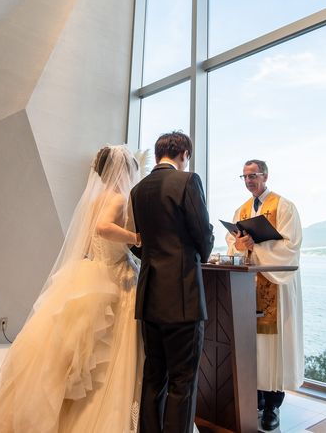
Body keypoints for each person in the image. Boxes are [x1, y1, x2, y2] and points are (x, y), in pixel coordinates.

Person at [0, 145, 143, 433]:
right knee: (107, 355)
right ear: (123, 171)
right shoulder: (117, 198)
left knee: (77, 355)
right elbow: (103, 228)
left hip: (93, 270)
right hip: (114, 277)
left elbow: (88, 240)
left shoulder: (95, 199)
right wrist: (135, 238)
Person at [128, 131, 214, 433]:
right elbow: (202, 232)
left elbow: (136, 242)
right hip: (182, 296)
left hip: (149, 296)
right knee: (182, 381)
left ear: (157, 154)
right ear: (184, 154)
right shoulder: (187, 181)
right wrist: (203, 251)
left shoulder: (138, 190)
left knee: (154, 377)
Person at [226, 159, 304, 432]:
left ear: (265, 176)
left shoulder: (284, 207)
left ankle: (273, 406)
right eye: (245, 177)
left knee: (274, 347)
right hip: (248, 288)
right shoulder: (242, 210)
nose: (249, 181)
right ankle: (256, 399)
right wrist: (240, 244)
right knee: (253, 345)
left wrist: (256, 246)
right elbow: (233, 245)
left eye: (253, 176)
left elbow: (291, 246)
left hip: (275, 287)